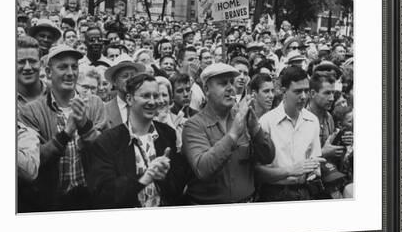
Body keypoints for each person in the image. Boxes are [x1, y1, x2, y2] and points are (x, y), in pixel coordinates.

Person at [19, 45, 106, 211]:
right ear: (49, 72)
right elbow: (34, 162)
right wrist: (65, 134)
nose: (70, 73)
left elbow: (105, 151)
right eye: (62, 67)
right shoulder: (31, 111)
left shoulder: (95, 103)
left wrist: (85, 126)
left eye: (74, 66)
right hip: (51, 203)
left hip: (91, 199)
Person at [87, 73, 190, 208]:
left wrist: (166, 176)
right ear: (129, 99)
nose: (153, 102)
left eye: (156, 95)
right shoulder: (108, 141)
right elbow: (104, 194)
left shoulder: (167, 134)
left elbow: (178, 187)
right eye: (146, 96)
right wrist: (143, 179)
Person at [181, 63, 275, 204]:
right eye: (223, 83)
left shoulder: (242, 117)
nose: (230, 88)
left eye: (231, 82)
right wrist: (233, 134)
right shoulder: (194, 125)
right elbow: (203, 169)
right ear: (206, 89)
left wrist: (255, 129)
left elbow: (268, 157)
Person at [256, 66, 325, 202]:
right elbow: (258, 171)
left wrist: (313, 171)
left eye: (306, 91)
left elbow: (314, 159)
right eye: (298, 91)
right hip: (274, 194)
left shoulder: (312, 120)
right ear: (283, 91)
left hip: (304, 192)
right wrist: (290, 171)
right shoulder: (267, 122)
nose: (304, 96)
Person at [103, 54, 146, 128]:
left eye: (133, 76)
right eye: (125, 76)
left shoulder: (146, 105)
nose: (130, 79)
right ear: (114, 82)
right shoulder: (105, 110)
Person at [16, 36, 48, 111]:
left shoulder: (56, 94)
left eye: (32, 61)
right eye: (21, 62)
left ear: (41, 64)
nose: (27, 67)